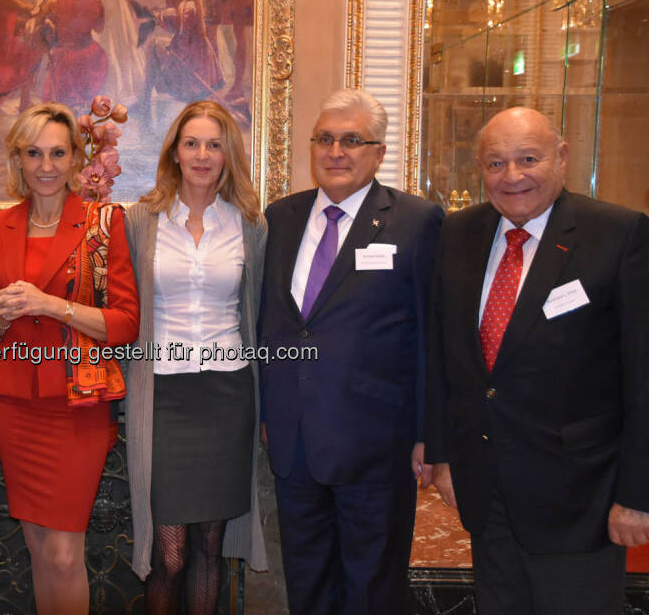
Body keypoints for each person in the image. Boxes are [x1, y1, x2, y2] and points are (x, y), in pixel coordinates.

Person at [425, 107, 649, 614]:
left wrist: (639, 493)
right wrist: (443, 456)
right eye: (496, 163)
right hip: (487, 493)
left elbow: (642, 374)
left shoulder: (618, 234)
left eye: (529, 159)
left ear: (562, 158)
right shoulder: (458, 233)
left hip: (581, 498)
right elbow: (445, 355)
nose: (513, 176)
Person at [258, 89, 444, 614]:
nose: (336, 151)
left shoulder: (417, 220)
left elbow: (433, 333)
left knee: (372, 590)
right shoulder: (282, 217)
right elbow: (272, 322)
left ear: (379, 151)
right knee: (308, 585)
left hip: (377, 442)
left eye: (352, 140)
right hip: (294, 441)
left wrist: (430, 434)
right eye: (325, 139)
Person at [0, 102, 139, 613]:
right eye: (33, 153)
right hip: (17, 406)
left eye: (57, 153)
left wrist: (53, 306)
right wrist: (0, 319)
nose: (45, 166)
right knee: (34, 548)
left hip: (76, 408)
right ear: (18, 160)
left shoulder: (103, 223)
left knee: (66, 554)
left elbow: (124, 325)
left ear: (75, 160)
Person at [124, 100, 268, 613]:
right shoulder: (141, 220)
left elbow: (259, 311)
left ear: (228, 154)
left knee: (209, 546)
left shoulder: (250, 223)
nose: (203, 155)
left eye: (214, 144)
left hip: (228, 396)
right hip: (163, 395)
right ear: (174, 153)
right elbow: (121, 308)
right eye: (192, 143)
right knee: (171, 554)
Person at [142, 0, 224, 110]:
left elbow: (186, 22)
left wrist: (160, 17)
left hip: (193, 53)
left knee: (153, 46)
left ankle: (144, 101)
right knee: (154, 46)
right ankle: (144, 100)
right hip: (187, 45)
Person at [38, 0, 109, 109]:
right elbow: (99, 28)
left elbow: (40, 21)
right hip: (89, 54)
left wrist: (50, 23)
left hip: (64, 56)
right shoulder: (96, 0)